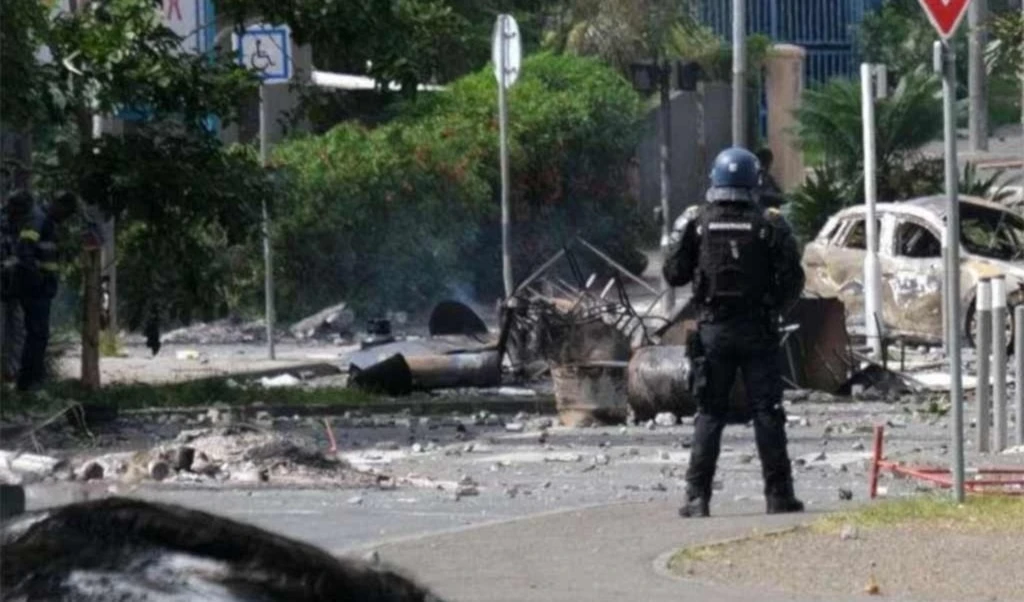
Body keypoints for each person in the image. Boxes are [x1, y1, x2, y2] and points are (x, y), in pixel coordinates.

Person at [663, 147, 805, 518]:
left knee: (710, 413)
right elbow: (794, 279)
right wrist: (773, 308)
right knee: (767, 411)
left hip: (714, 332)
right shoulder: (769, 223)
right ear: (754, 181)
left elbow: (673, 273)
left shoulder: (697, 221)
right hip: (758, 330)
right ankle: (779, 496)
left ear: (715, 179)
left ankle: (697, 498)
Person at [14, 191, 78, 392]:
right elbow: (25, 251)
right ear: (58, 205)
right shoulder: (38, 220)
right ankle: (28, 383)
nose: (65, 218)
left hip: (42, 289)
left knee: (39, 335)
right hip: (35, 290)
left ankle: (33, 380)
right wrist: (38, 279)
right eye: (66, 213)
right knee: (37, 334)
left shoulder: (47, 223)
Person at [1, 190, 35, 384]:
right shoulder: (4, 222)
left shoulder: (25, 223)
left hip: (17, 287)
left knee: (18, 331)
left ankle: (12, 373)